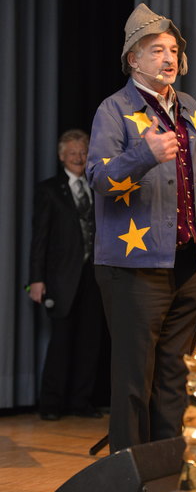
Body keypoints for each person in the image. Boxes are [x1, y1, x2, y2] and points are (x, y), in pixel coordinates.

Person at [87, 2, 196, 453]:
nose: (169, 58)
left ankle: (167, 468)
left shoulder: (190, 107)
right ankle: (129, 475)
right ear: (134, 59)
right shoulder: (114, 109)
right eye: (156, 50)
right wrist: (144, 155)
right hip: (133, 268)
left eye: (172, 50)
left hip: (185, 262)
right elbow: (99, 180)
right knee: (134, 379)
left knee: (173, 377)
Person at [28, 129, 105, 420]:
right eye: (72, 153)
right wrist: (36, 280)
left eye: (83, 152)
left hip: (94, 277)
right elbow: (39, 239)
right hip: (61, 279)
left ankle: (80, 402)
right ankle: (51, 404)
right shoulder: (48, 190)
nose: (79, 158)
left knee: (90, 341)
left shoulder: (98, 188)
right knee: (61, 343)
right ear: (62, 156)